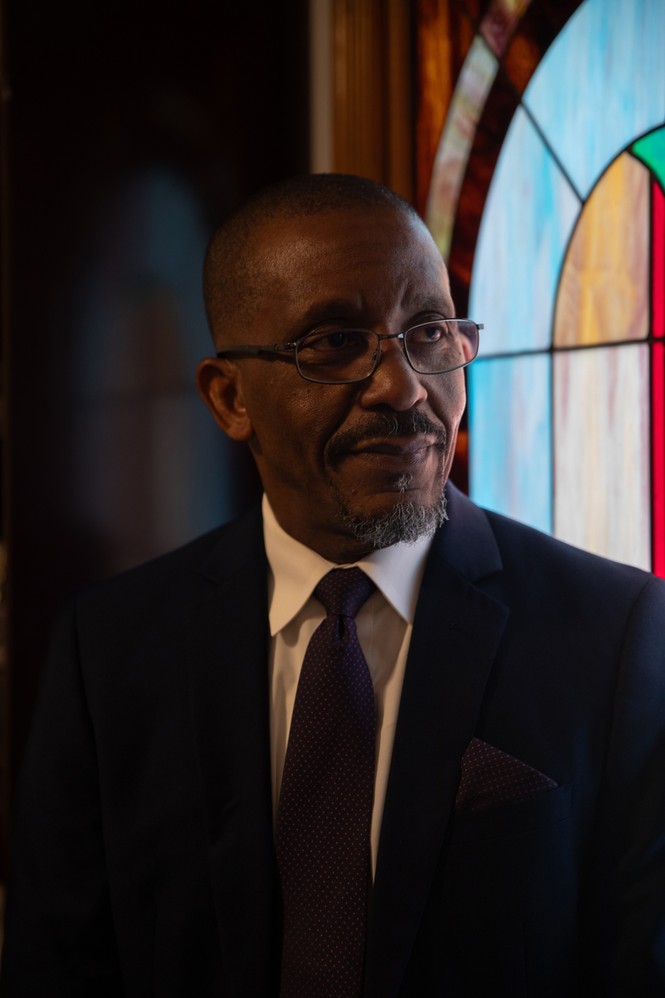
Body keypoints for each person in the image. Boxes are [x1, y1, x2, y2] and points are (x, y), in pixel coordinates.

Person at [2, 172, 665, 997]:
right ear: (229, 396)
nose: (404, 387)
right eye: (335, 344)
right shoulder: (107, 653)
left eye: (428, 331)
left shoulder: (615, 633)